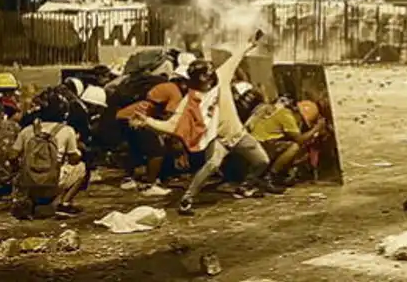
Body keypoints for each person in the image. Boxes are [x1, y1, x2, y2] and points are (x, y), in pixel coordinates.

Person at [135, 40, 279, 215]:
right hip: (218, 139)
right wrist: (148, 121)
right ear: (198, 78)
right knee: (211, 165)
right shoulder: (190, 101)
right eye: (206, 73)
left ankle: (245, 187)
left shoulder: (222, 78)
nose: (210, 75)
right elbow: (172, 124)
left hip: (238, 134)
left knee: (262, 161)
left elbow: (235, 59)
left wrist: (250, 43)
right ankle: (187, 199)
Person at [116, 64, 189, 197]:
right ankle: (150, 184)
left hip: (125, 116)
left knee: (136, 150)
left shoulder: (166, 86)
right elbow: (169, 118)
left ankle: (129, 179)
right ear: (182, 81)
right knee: (157, 151)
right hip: (136, 119)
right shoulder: (175, 92)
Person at [10, 105, 87, 219]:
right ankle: (64, 203)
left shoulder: (27, 130)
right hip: (53, 181)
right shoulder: (67, 130)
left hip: (29, 181)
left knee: (22, 171)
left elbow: (12, 156)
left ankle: (27, 199)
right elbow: (73, 160)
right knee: (81, 168)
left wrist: (19, 171)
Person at [248, 98, 327, 188]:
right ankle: (270, 177)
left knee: (296, 150)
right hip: (262, 144)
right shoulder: (286, 114)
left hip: (258, 144)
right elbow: (299, 139)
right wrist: (316, 128)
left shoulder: (280, 112)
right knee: (294, 147)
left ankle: (280, 176)